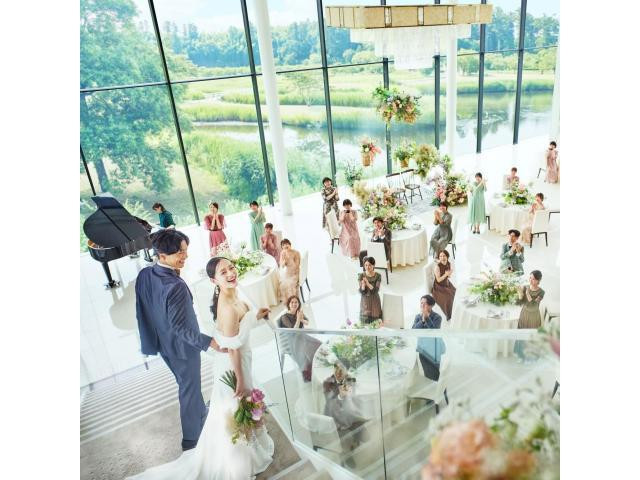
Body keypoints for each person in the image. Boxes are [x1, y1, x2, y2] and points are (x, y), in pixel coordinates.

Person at [129, 256, 274, 479]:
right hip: (232, 367)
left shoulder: (233, 294)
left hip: (242, 360)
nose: (231, 273)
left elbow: (240, 325)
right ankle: (238, 461)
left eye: (231, 268)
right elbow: (232, 349)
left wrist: (255, 316)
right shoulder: (227, 308)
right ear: (214, 281)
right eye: (223, 272)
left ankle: (251, 444)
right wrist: (241, 380)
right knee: (234, 411)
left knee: (238, 409)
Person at [134, 229, 225, 453]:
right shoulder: (174, 286)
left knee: (187, 385)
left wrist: (154, 340)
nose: (185, 256)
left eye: (185, 250)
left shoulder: (145, 275)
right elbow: (180, 326)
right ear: (162, 256)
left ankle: (200, 413)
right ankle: (192, 440)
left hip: (163, 344)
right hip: (183, 348)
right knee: (189, 390)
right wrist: (208, 341)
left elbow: (143, 310)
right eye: (180, 253)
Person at [277, 296, 322, 382]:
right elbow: (294, 331)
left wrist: (301, 319)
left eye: (296, 302)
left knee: (318, 344)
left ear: (298, 304)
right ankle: (308, 372)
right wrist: (298, 319)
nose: (294, 304)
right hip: (293, 339)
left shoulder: (299, 312)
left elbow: (307, 322)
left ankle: (317, 366)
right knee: (307, 349)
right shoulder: (284, 317)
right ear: (289, 304)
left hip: (302, 336)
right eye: (292, 302)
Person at [412, 295, 445, 381]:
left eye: (425, 303)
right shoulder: (418, 317)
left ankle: (439, 386)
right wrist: (422, 320)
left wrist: (427, 318)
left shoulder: (437, 317)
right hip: (423, 349)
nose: (422, 305)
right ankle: (432, 385)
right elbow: (413, 331)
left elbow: (434, 332)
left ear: (431, 305)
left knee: (435, 372)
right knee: (426, 371)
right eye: (421, 303)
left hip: (434, 350)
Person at [514, 270, 545, 360]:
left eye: (533, 279)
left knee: (532, 336)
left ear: (539, 280)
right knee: (521, 335)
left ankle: (531, 357)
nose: (531, 280)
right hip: (524, 315)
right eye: (530, 278)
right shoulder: (525, 287)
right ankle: (520, 355)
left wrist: (527, 294)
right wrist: (519, 294)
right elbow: (519, 303)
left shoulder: (541, 292)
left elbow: (533, 305)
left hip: (534, 317)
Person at [431, 250, 456, 320]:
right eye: (440, 256)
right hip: (439, 287)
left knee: (455, 293)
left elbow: (448, 276)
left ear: (447, 257)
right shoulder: (437, 267)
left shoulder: (448, 263)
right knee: (448, 299)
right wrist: (446, 274)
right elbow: (438, 280)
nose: (442, 258)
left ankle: (455, 309)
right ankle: (450, 315)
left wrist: (449, 273)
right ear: (439, 258)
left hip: (446, 283)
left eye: (444, 256)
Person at [358, 256, 382, 324]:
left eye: (370, 265)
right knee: (365, 320)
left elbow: (376, 290)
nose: (367, 267)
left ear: (373, 265)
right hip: (365, 299)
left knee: (375, 321)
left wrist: (368, 283)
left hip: (375, 299)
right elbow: (362, 291)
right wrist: (363, 285)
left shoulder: (378, 276)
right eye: (366, 265)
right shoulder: (361, 275)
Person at [279, 239, 301, 303]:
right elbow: (282, 266)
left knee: (291, 284)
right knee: (282, 284)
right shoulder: (282, 253)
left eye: (287, 244)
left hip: (295, 272)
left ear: (290, 244)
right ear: (282, 247)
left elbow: (297, 265)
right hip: (288, 272)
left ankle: (293, 300)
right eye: (283, 245)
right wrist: (284, 261)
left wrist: (289, 258)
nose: (285, 246)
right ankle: (287, 300)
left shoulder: (296, 253)